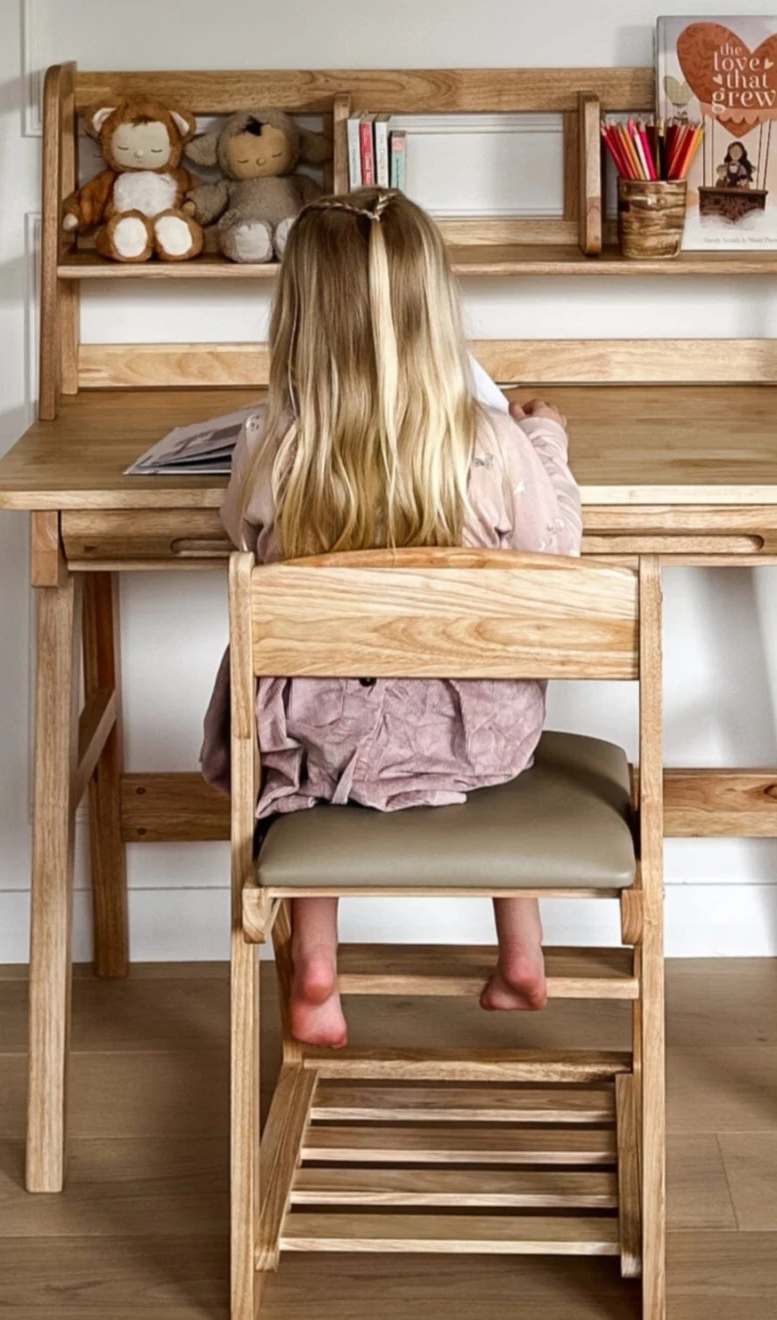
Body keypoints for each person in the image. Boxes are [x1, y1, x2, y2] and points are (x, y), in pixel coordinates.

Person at [202, 187, 582, 1046]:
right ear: (434, 310)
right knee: (492, 698)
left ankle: (316, 970)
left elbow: (238, 529)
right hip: (471, 739)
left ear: (298, 319)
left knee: (289, 757)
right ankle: (522, 956)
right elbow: (556, 550)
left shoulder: (270, 443)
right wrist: (548, 438)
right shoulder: (493, 444)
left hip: (319, 743)